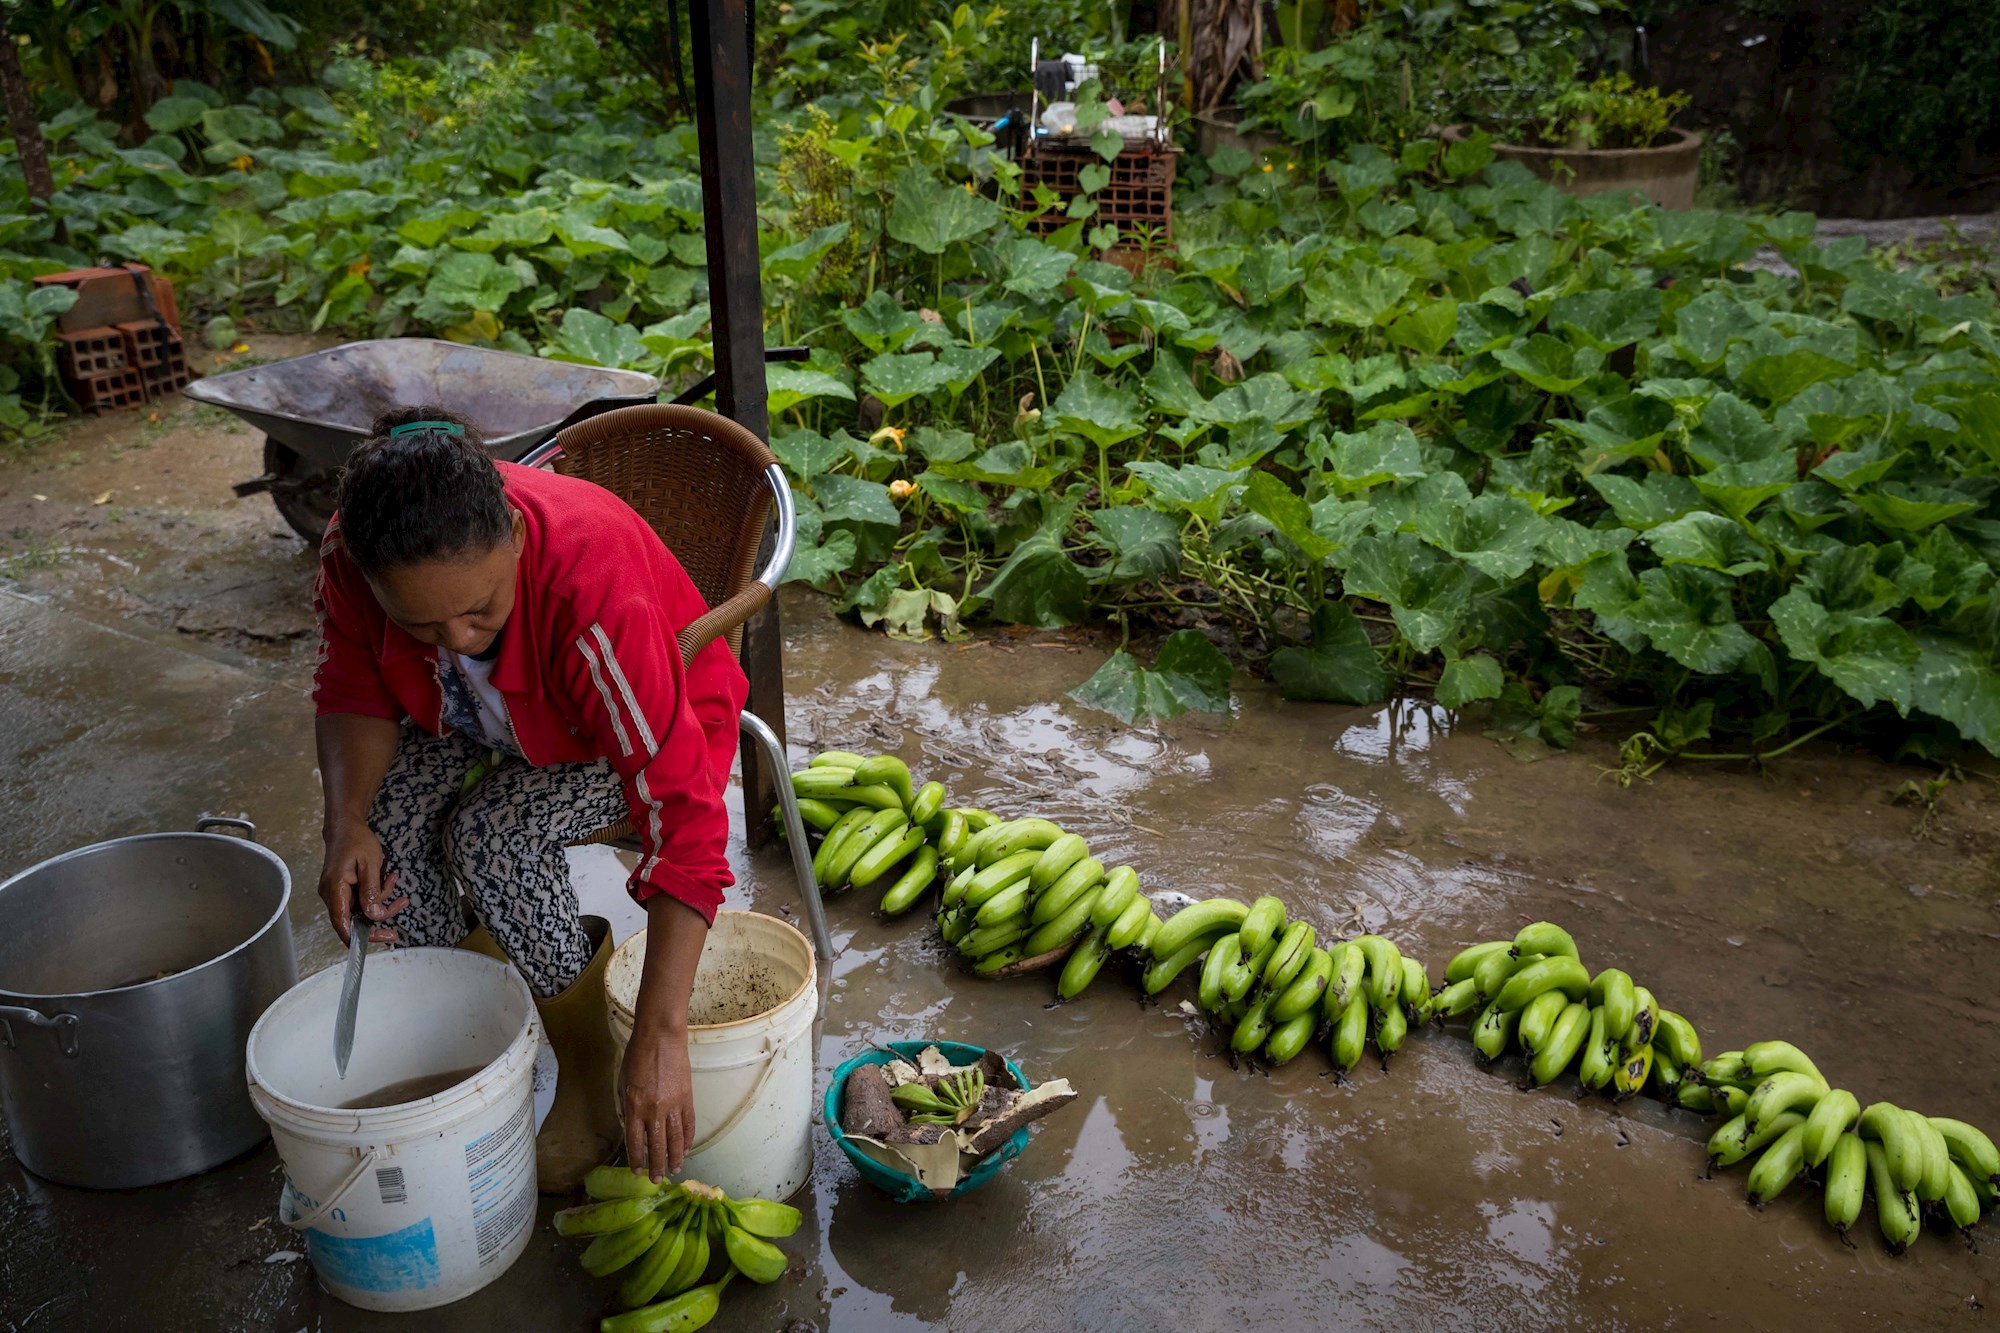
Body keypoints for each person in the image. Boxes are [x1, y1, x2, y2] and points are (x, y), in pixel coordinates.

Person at [310, 406, 746, 1192]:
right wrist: (343, 823)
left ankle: (587, 1075)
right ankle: (463, 1051)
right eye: (419, 622)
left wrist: (659, 1032)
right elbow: (349, 685)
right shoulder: (352, 547)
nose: (459, 641)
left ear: (513, 533)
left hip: (622, 726)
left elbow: (684, 818)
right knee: (389, 834)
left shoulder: (590, 589)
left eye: (479, 610)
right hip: (478, 724)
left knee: (494, 840)